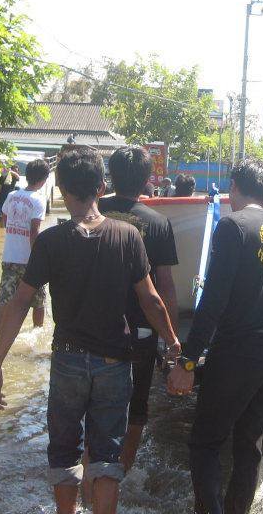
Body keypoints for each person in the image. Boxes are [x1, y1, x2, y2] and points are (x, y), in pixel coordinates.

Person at [0, 147, 181, 514]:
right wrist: (172, 343)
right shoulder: (128, 237)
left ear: (61, 190)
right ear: (101, 186)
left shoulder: (50, 241)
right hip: (114, 362)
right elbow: (152, 301)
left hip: (67, 361)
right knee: (107, 457)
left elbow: (19, 303)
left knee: (64, 453)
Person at [167, 160, 263, 514]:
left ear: (234, 186)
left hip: (242, 350)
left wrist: (188, 361)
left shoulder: (232, 226)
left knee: (205, 444)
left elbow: (213, 301)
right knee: (248, 445)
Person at [97, 145, 180, 475]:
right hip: (141, 331)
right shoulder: (158, 223)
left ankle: (91, 479)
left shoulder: (90, 211)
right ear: (148, 179)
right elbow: (165, 287)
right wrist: (171, 341)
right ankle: (122, 473)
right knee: (137, 406)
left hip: (90, 327)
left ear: (110, 176)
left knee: (94, 403)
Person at [0, 158, 51, 338]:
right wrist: (39, 257)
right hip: (28, 259)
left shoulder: (12, 196)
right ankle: (37, 334)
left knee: (4, 299)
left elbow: (5, 220)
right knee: (39, 300)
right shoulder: (38, 200)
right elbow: (34, 231)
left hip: (9, 257)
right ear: (44, 179)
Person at [0, 163, 20, 228]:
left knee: (10, 214)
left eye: (17, 171)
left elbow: (18, 176)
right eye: (14, 170)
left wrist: (11, 171)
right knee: (2, 214)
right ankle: (2, 229)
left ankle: (7, 228)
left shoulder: (15, 177)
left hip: (11, 197)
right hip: (3, 196)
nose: (16, 172)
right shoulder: (3, 176)